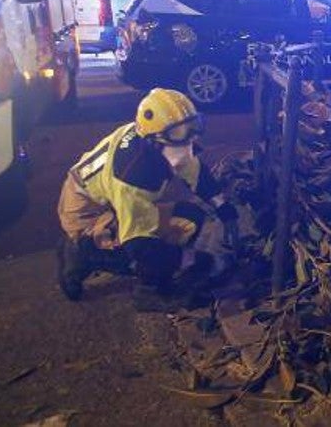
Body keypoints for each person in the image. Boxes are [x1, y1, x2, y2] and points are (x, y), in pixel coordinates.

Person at [56, 88, 241, 312]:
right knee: (134, 253)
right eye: (181, 131)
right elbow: (138, 245)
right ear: (156, 140)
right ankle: (86, 256)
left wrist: (224, 208)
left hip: (107, 201)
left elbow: (195, 173)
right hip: (87, 211)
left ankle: (162, 269)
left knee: (189, 219)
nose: (190, 138)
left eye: (193, 127)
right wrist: (194, 260)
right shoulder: (133, 175)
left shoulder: (158, 142)